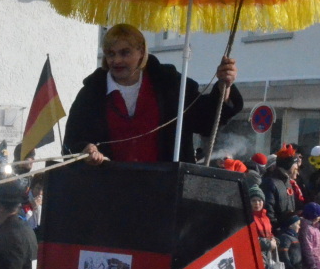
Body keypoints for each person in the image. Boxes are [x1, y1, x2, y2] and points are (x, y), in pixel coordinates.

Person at [63, 24, 242, 164]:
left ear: (141, 52)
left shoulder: (169, 84)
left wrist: (224, 87)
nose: (116, 60)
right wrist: (85, 150)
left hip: (164, 193)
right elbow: (72, 144)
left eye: (125, 53)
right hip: (109, 195)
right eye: (110, 54)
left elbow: (205, 121)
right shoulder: (91, 94)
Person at [262, 145, 299, 235]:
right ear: (288, 166)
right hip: (277, 233)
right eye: (295, 167)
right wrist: (278, 228)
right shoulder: (270, 182)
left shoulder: (287, 182)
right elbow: (268, 211)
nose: (297, 171)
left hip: (288, 231)